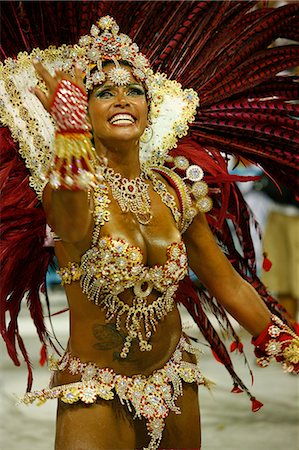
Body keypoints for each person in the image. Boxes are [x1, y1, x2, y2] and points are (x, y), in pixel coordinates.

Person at [1, 6, 298, 450]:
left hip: (174, 383)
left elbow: (229, 284)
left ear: (149, 107)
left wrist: (288, 344)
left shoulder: (175, 192)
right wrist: (68, 130)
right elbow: (70, 201)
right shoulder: (68, 192)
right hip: (96, 391)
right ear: (85, 112)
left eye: (134, 90)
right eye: (102, 92)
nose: (121, 99)